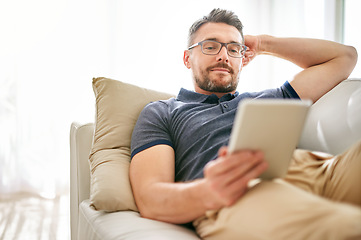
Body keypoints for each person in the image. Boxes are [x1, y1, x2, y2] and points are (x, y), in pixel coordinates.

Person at [130, 8, 361, 239]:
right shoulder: (162, 111)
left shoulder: (269, 98)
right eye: (210, 46)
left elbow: (345, 57)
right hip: (232, 198)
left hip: (314, 170)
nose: (224, 56)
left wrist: (262, 43)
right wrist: (208, 191)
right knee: (345, 227)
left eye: (233, 49)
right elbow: (150, 198)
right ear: (187, 58)